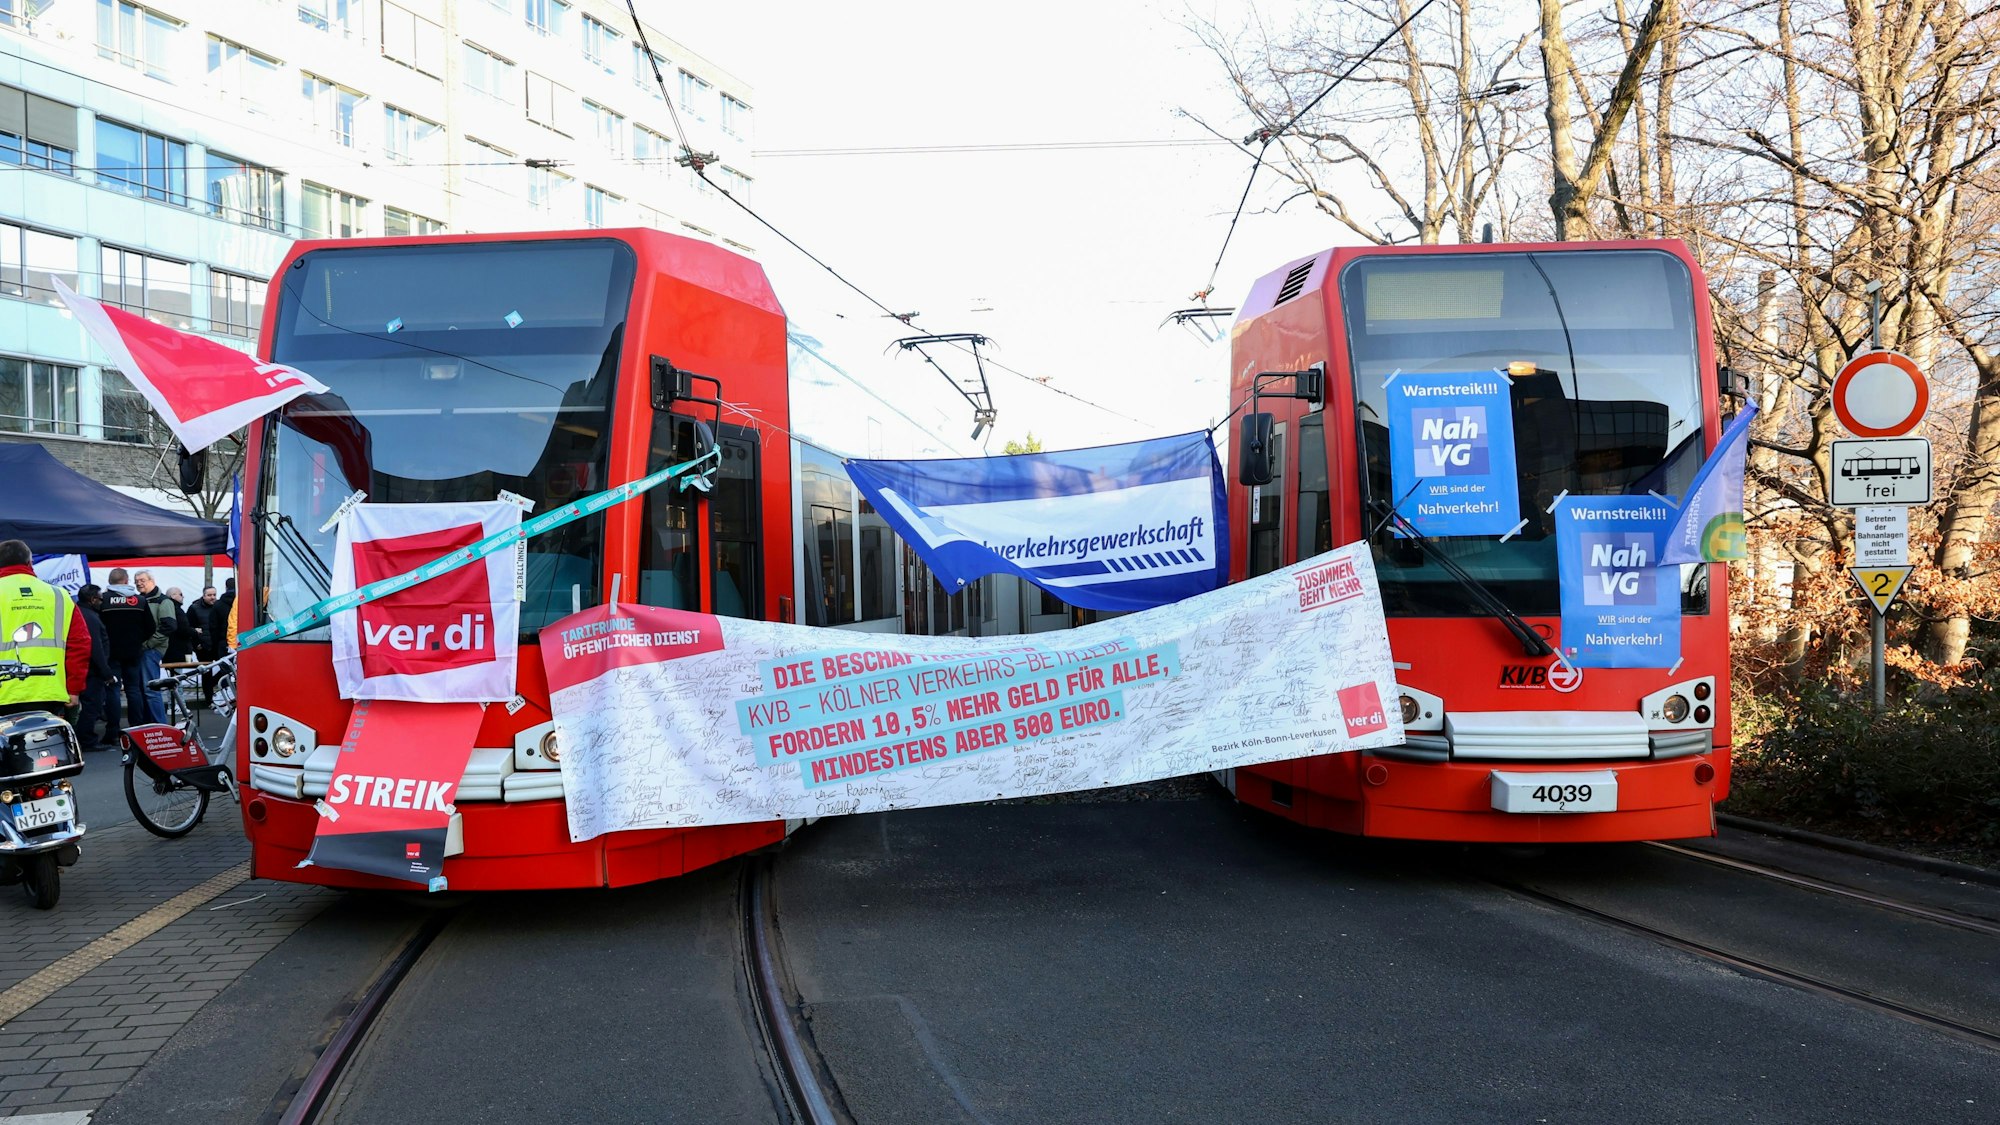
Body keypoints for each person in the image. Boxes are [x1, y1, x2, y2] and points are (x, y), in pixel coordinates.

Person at [0, 539, 91, 721]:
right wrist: (73, 688)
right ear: (29, 562)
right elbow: (80, 644)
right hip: (49, 692)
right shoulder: (59, 595)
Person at [98, 568, 154, 730]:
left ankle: (113, 729)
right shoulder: (140, 601)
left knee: (113, 690)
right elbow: (151, 627)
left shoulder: (103, 600)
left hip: (111, 653)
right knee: (133, 689)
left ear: (110, 581)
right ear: (126, 580)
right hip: (134, 652)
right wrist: (137, 640)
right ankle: (136, 727)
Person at [74, 584, 119, 748]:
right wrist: (106, 672)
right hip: (92, 670)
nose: (102, 602)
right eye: (100, 599)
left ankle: (83, 737)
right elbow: (96, 647)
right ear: (92, 600)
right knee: (92, 704)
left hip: (85, 667)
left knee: (88, 704)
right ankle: (87, 739)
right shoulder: (91, 617)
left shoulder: (80, 613)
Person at [131, 569, 177, 724]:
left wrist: (148, 644)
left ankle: (160, 725)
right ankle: (150, 725)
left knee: (150, 689)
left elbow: (169, 626)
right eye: (136, 581)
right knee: (143, 690)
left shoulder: (164, 601)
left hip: (151, 649)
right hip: (143, 649)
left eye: (142, 580)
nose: (139, 583)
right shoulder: (139, 600)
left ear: (152, 581)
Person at [187, 585, 222, 661]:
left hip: (217, 645)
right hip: (203, 647)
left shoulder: (219, 606)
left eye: (214, 595)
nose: (212, 597)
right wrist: (197, 644)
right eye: (209, 595)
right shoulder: (194, 608)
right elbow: (189, 627)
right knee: (206, 671)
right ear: (203, 596)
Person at [163, 586, 195, 665]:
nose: (183, 596)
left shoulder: (165, 608)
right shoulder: (177, 610)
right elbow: (183, 629)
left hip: (167, 649)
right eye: (180, 594)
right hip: (179, 650)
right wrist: (194, 631)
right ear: (173, 596)